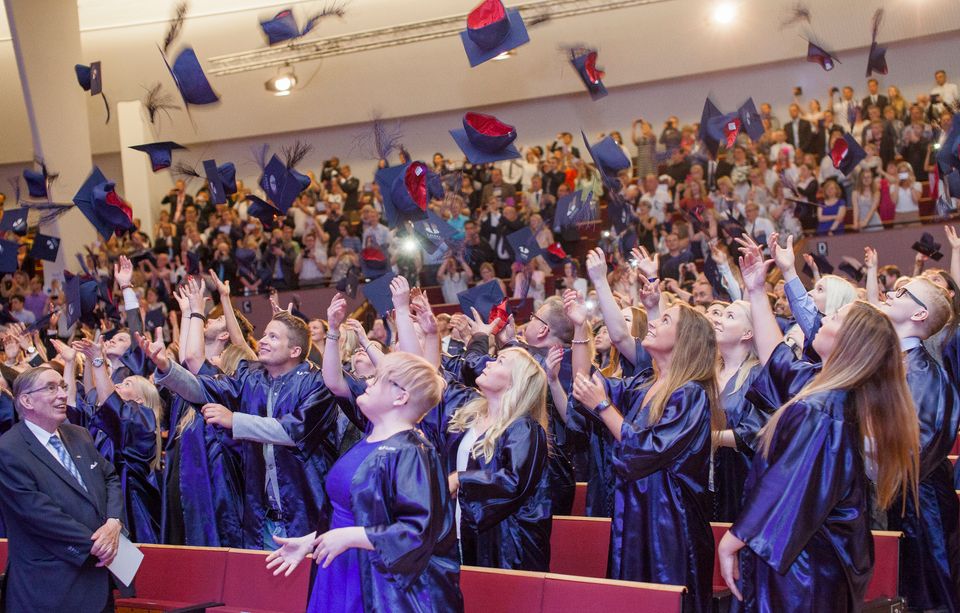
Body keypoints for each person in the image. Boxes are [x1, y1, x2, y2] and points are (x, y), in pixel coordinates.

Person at [718, 236, 920, 611]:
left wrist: (736, 536)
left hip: (802, 563)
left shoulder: (824, 406)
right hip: (809, 554)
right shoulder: (825, 388)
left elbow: (789, 482)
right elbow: (777, 359)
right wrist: (756, 290)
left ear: (849, 344)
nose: (822, 319)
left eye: (834, 318)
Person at [266, 352, 464, 613]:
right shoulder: (369, 442)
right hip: (340, 568)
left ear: (400, 396)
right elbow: (360, 512)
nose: (368, 382)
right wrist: (314, 540)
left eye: (379, 379)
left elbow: (417, 532)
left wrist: (350, 537)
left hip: (378, 582)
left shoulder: (413, 453)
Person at [142, 310, 343, 550]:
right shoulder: (252, 377)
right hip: (263, 519)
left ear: (295, 351)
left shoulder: (316, 382)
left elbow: (293, 431)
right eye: (265, 334)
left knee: (308, 585)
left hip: (307, 512)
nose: (264, 340)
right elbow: (203, 388)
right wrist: (167, 367)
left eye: (273, 337)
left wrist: (234, 420)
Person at [571, 299, 723, 613]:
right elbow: (584, 386)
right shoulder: (643, 385)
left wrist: (603, 406)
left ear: (685, 340)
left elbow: (646, 448)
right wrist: (578, 327)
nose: (652, 323)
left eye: (665, 320)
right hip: (635, 515)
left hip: (669, 525)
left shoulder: (690, 393)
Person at [0, 366, 124, 612]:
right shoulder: (8, 449)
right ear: (26, 400)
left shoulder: (79, 435)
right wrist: (100, 544)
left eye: (62, 386)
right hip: (50, 586)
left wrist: (113, 523)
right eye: (50, 388)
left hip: (101, 579)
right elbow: (38, 514)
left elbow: (110, 477)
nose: (62, 394)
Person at [445, 347, 553, 571]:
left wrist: (460, 479)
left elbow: (512, 482)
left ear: (515, 383)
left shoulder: (524, 429)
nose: (487, 363)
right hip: (458, 532)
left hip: (505, 546)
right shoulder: (469, 417)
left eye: (500, 361)